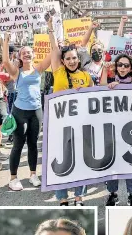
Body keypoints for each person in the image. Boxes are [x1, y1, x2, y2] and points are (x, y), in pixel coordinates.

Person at [48, 16, 94, 206]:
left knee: (81, 161)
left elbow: (94, 97)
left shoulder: (85, 75)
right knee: (62, 161)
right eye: (68, 58)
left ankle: (79, 197)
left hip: (81, 124)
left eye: (74, 58)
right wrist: (50, 28)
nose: (72, 61)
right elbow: (53, 49)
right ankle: (62, 198)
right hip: (61, 124)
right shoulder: (58, 71)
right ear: (63, 61)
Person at [1, 32, 52, 191]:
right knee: (18, 144)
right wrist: (6, 41)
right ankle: (13, 178)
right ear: (20, 56)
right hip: (20, 112)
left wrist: (53, 34)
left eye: (29, 52)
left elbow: (52, 54)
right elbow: (5, 61)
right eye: (24, 53)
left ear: (34, 54)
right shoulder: (17, 72)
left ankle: (32, 174)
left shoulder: (38, 69)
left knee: (33, 144)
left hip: (36, 111)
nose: (27, 54)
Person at [101, 54, 132, 206]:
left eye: (126, 65)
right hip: (113, 130)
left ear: (131, 68)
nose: (122, 68)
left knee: (131, 163)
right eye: (120, 65)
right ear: (116, 67)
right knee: (113, 164)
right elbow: (100, 88)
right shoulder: (112, 83)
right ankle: (113, 194)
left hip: (131, 130)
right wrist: (106, 72)